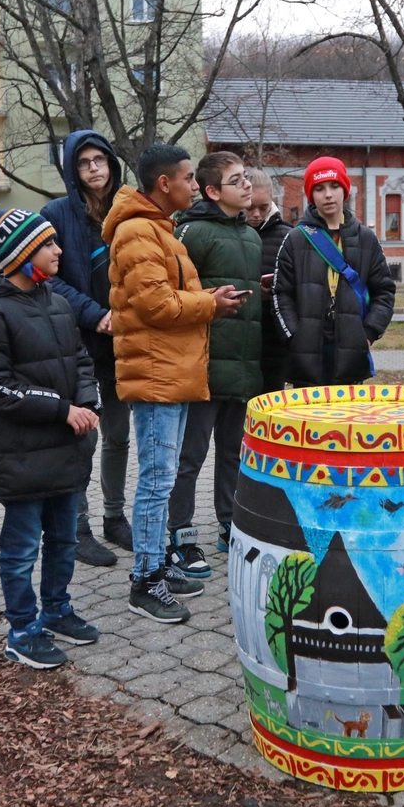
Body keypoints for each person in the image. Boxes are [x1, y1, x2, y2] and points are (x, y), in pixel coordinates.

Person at [105, 143, 246, 624]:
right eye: (188, 178)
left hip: (172, 370)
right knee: (157, 480)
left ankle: (157, 567)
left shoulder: (160, 230)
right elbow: (157, 308)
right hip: (156, 375)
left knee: (161, 479)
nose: (193, 185)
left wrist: (209, 295)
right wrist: (211, 306)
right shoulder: (138, 232)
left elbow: (172, 295)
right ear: (164, 184)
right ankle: (144, 582)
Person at [0, 199, 102, 669]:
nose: (59, 250)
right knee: (22, 546)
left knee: (64, 539)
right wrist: (62, 410)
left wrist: (86, 404)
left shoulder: (59, 303)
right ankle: (22, 629)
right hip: (21, 455)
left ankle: (58, 610)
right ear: (23, 254)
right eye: (48, 244)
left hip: (65, 450)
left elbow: (82, 361)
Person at [166, 151, 262, 576]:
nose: (247, 185)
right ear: (211, 190)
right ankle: (180, 532)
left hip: (243, 366)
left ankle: (230, 523)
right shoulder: (192, 233)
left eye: (247, 178)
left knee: (233, 454)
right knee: (190, 455)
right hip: (201, 368)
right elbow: (174, 295)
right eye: (236, 180)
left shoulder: (253, 237)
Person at [40, 131, 131, 568]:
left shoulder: (128, 210)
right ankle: (78, 529)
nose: (95, 168)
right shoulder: (55, 214)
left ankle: (116, 517)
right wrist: (93, 313)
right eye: (84, 162)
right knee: (84, 437)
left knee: (119, 435)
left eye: (101, 159)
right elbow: (49, 277)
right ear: (72, 171)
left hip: (123, 342)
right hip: (76, 341)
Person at [273, 156, 397, 386]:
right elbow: (281, 294)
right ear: (311, 196)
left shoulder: (366, 239)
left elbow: (384, 292)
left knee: (347, 420)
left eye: (334, 186)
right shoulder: (296, 239)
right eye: (319, 189)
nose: (328, 194)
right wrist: (294, 336)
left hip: (351, 352)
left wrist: (367, 334)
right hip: (307, 353)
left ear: (345, 190)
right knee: (309, 420)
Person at [245, 167, 293, 393]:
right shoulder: (227, 232)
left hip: (272, 342)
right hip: (238, 340)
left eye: (262, 208)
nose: (255, 214)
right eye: (249, 207)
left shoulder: (287, 236)